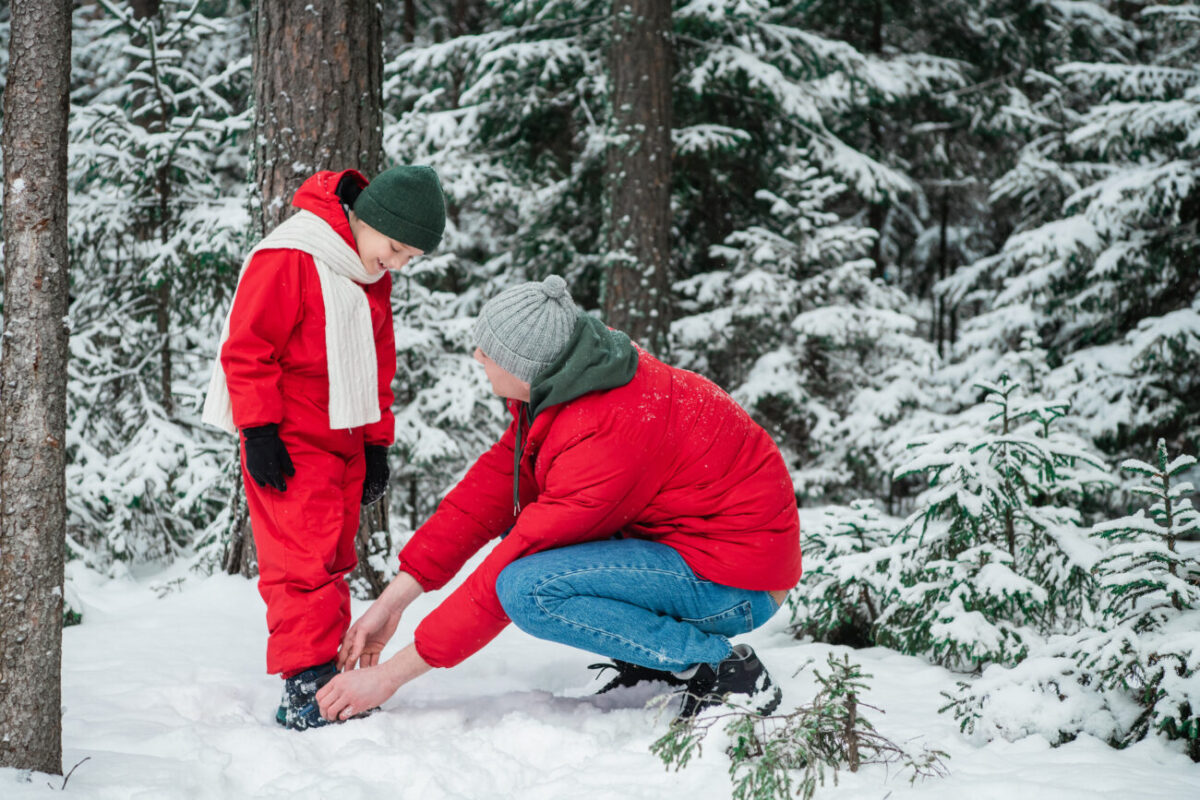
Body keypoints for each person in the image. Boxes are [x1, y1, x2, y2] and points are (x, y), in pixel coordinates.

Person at [315, 275, 802, 725]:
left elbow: (507, 569)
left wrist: (388, 677)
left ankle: (723, 669)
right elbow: (485, 494)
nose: (477, 355)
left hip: (736, 585)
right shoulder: (572, 384)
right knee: (527, 552)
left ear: (525, 367)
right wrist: (394, 601)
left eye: (490, 350)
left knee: (527, 588)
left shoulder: (604, 430)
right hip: (696, 554)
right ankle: (660, 663)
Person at [202, 165, 446, 730]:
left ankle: (329, 672)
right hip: (288, 439)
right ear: (372, 221)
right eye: (396, 248)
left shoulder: (369, 275)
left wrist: (377, 448)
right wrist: (259, 431)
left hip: (347, 434)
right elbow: (247, 348)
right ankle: (306, 682)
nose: (399, 264)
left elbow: (379, 368)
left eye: (412, 257)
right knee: (300, 563)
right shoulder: (291, 255)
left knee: (335, 560)